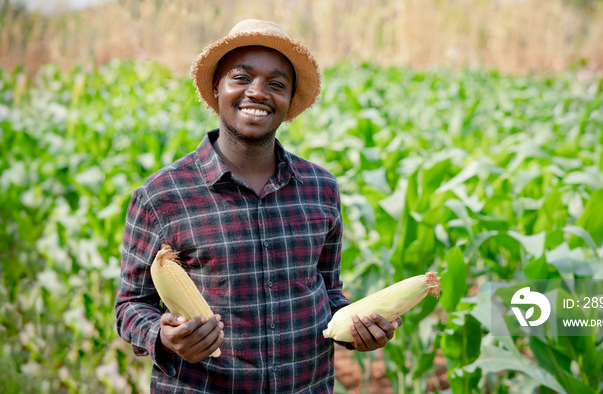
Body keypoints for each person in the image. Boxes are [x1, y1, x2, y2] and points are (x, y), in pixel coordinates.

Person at [115, 19, 402, 392]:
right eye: (241, 78)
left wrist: (357, 330)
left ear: (288, 101)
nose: (258, 93)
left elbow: (327, 293)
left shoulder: (321, 189)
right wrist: (163, 335)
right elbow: (131, 305)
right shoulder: (162, 194)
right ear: (217, 87)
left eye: (276, 84)